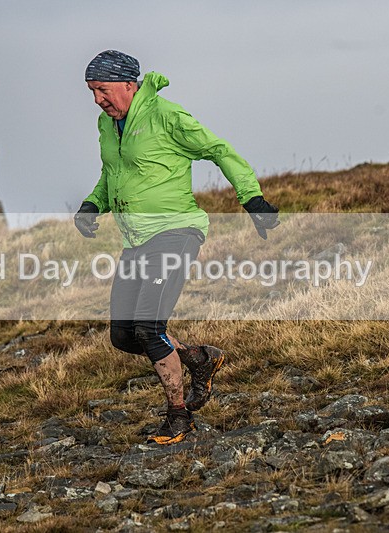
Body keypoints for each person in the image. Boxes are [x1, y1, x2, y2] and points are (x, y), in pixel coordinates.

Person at [74, 50, 279, 445]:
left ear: (129, 85)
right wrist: (92, 205)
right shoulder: (107, 124)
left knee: (149, 328)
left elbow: (218, 150)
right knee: (124, 336)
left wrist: (252, 199)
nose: (97, 99)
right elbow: (112, 172)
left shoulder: (167, 116)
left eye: (102, 90)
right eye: (91, 91)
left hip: (175, 231)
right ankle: (199, 359)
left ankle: (179, 418)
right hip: (136, 239)